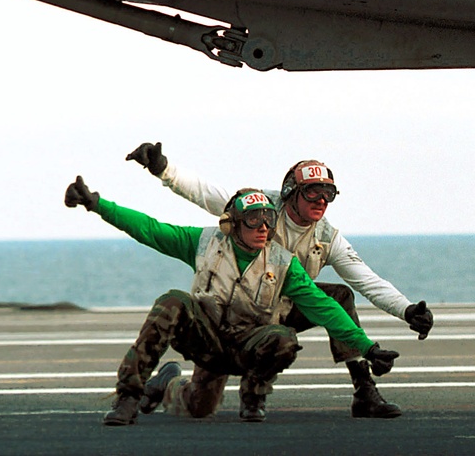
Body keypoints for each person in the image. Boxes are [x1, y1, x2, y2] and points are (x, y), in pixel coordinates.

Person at [126, 142, 433, 419]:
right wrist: (163, 169)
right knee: (199, 405)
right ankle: (167, 385)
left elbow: (366, 280)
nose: (321, 201)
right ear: (290, 192)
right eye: (313, 191)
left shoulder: (327, 238)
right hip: (230, 318)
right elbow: (204, 193)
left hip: (278, 311)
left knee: (338, 296)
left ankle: (364, 391)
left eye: (328, 194)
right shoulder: (255, 207)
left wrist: (406, 310)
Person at [63, 176, 399, 426]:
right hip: (206, 338)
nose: (263, 228)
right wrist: (97, 204)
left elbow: (324, 307)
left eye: (268, 220)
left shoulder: (283, 262)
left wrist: (368, 348)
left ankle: (254, 398)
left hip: (248, 343)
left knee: (283, 339)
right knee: (173, 305)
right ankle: (130, 396)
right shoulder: (202, 242)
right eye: (254, 220)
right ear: (232, 224)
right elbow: (150, 229)